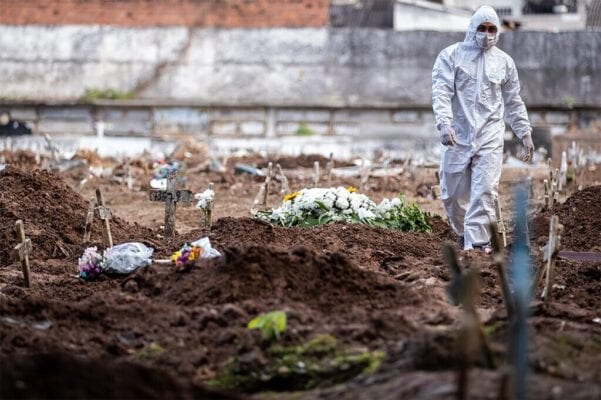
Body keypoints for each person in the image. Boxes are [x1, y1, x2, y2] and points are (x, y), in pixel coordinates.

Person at [431, 6, 534, 251]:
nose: (486, 34)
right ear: (472, 28)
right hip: (457, 135)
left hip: (490, 135)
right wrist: (444, 123)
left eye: (491, 29)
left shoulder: (504, 63)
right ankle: (460, 231)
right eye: (482, 28)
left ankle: (477, 245)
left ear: (497, 31)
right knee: (452, 193)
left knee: (485, 190)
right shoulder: (451, 55)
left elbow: (513, 101)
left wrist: (525, 133)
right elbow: (441, 91)